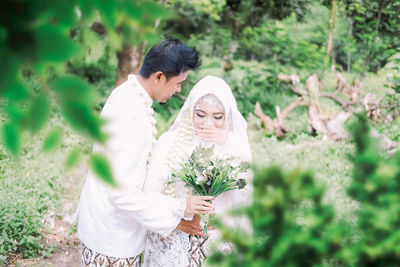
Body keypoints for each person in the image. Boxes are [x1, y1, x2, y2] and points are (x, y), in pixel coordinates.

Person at [77, 37, 215, 266]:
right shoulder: (132, 115)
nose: (179, 90)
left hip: (103, 227)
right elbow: (122, 195)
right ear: (159, 76)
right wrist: (181, 210)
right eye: (179, 82)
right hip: (113, 240)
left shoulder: (125, 94)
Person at [143, 75, 252, 266]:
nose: (207, 123)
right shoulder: (170, 143)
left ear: (227, 116)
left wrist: (227, 147)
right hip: (174, 242)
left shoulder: (236, 147)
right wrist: (182, 207)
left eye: (217, 117)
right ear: (190, 111)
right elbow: (148, 196)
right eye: (200, 115)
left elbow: (247, 199)